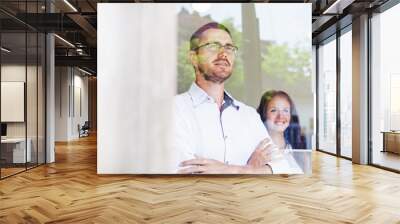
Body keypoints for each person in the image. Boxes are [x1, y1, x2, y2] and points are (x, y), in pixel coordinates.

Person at [174, 22, 291, 174]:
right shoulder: (173, 109)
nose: (223, 54)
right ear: (194, 58)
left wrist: (233, 170)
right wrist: (253, 169)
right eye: (213, 46)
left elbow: (282, 166)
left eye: (229, 48)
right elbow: (183, 172)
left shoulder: (249, 115)